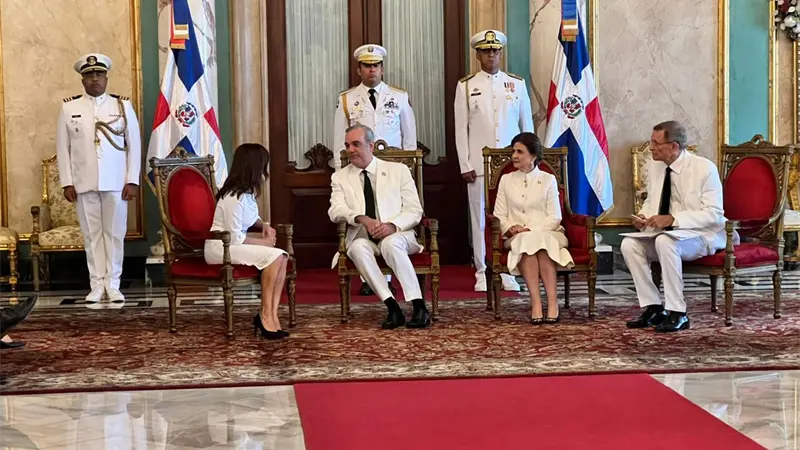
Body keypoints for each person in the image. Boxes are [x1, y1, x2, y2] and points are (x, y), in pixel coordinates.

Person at [621, 121, 734, 332]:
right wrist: (644, 217)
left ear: (674, 146)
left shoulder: (704, 168)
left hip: (704, 235)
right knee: (629, 244)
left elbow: (714, 214)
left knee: (665, 242)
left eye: (656, 143)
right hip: (669, 235)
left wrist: (674, 219)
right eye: (650, 141)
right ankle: (653, 308)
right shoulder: (656, 166)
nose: (651, 147)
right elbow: (652, 201)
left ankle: (677, 312)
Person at [56, 53, 141, 305]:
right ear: (82, 79)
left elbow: (133, 145)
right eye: (90, 75)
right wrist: (67, 182)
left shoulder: (122, 106)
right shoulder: (69, 107)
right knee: (91, 235)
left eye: (99, 74)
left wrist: (132, 179)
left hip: (116, 182)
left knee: (114, 234)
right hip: (84, 182)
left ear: (106, 77)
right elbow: (63, 149)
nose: (95, 79)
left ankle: (113, 284)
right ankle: (96, 284)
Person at [333, 44, 418, 297]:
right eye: (367, 66)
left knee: (388, 216)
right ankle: (369, 278)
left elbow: (409, 140)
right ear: (359, 69)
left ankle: (390, 278)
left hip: (391, 173)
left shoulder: (399, 97)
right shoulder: (347, 99)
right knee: (364, 217)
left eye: (376, 65)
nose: (373, 70)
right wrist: (341, 173)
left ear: (382, 68)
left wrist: (408, 171)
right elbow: (340, 142)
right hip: (358, 171)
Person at [328, 124, 430, 329]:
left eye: (356, 144)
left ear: (371, 145)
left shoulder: (397, 170)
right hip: (365, 237)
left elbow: (414, 210)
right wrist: (360, 218)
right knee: (356, 247)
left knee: (390, 244)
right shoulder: (339, 177)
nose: (350, 150)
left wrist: (392, 226)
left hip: (400, 236)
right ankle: (392, 307)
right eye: (347, 145)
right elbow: (335, 210)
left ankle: (419, 307)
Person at [454, 29, 533, 293]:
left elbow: (527, 127)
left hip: (512, 164)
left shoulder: (516, 84)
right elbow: (460, 129)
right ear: (478, 54)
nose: (492, 55)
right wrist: (465, 164)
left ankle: (508, 269)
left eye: (496, 50)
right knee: (480, 219)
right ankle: (482, 270)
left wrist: (530, 161)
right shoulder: (466, 86)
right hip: (478, 164)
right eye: (487, 51)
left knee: (510, 216)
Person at [204, 144, 290, 340]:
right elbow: (234, 238)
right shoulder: (234, 196)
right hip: (220, 247)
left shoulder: (246, 193)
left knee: (282, 257)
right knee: (276, 256)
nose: (265, 172)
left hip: (232, 244)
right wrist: (264, 243)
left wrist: (264, 225)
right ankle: (265, 316)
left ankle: (272, 314)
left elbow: (250, 218)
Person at [493, 133, 573, 324]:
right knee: (528, 244)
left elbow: (555, 217)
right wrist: (511, 228)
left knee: (537, 242)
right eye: (513, 151)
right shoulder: (506, 180)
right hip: (516, 236)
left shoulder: (548, 180)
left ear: (533, 155)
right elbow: (498, 215)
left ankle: (552, 303)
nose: (514, 156)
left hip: (549, 232)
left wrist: (529, 229)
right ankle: (536, 303)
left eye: (519, 152)